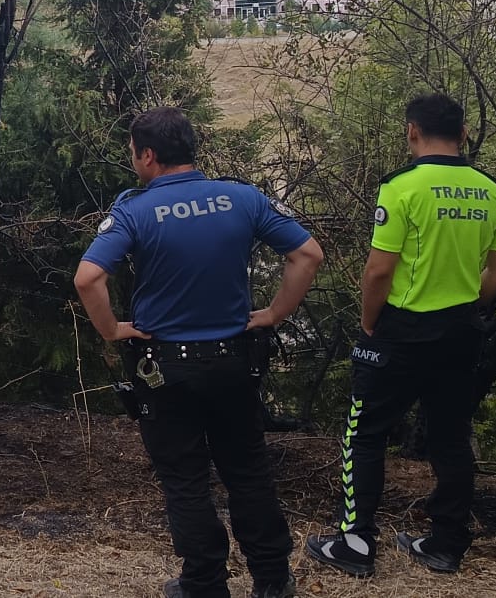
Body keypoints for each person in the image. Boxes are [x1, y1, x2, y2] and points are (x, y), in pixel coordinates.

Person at [76, 107, 325, 598]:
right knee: (248, 471)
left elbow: (88, 278)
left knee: (185, 479)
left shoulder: (134, 210)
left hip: (165, 368)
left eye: (133, 152)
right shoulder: (243, 197)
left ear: (148, 155)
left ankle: (205, 583)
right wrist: (274, 313)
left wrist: (112, 330)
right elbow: (307, 254)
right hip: (235, 361)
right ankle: (273, 579)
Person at [305, 93, 496, 577]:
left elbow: (379, 271)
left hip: (401, 329)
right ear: (464, 134)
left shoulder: (402, 187)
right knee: (451, 438)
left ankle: (355, 542)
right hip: (460, 331)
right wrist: (469, 305)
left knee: (365, 433)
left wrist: (369, 322)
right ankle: (446, 544)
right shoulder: (494, 192)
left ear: (412, 131)